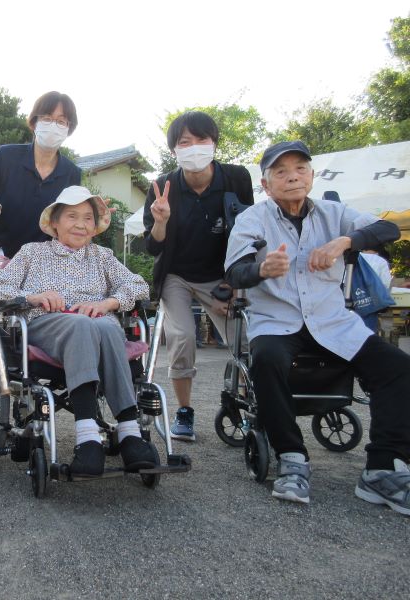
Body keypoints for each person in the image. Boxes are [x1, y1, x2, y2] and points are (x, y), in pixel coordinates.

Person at [225, 140, 410, 514]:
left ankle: (382, 469)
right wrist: (262, 269)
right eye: (281, 171)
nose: (292, 176)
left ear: (311, 175)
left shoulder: (334, 213)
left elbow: (388, 229)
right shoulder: (252, 219)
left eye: (300, 168)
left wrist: (346, 241)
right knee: (265, 361)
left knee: (397, 368)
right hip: (277, 321)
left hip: (332, 320)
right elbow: (233, 273)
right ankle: (292, 457)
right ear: (266, 183)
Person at [0, 186, 157, 477]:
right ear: (54, 222)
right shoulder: (32, 253)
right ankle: (88, 438)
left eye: (88, 218)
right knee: (83, 324)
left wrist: (108, 302)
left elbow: (139, 286)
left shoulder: (102, 257)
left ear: (95, 226)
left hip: (97, 329)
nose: (80, 224)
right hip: (47, 325)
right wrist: (34, 297)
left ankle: (129, 432)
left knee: (106, 324)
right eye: (72, 216)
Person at [142, 111, 253, 441]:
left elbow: (247, 233)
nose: (194, 147)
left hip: (221, 275)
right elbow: (152, 247)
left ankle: (249, 402)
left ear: (214, 143)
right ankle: (185, 411)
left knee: (245, 339)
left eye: (201, 140)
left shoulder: (236, 178)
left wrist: (232, 285)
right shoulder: (163, 185)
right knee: (183, 337)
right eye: (184, 142)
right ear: (174, 150)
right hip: (176, 274)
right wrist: (160, 221)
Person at [0, 91, 82, 333]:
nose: (54, 125)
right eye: (48, 118)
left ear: (69, 128)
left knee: (26, 343)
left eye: (62, 121)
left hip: (34, 273)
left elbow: (67, 226)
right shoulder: (5, 157)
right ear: (34, 122)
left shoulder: (71, 173)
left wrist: (93, 220)